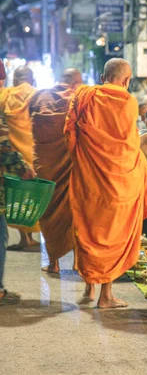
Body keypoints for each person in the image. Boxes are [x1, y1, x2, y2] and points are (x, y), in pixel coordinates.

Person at [65, 58, 147, 308]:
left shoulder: (85, 96)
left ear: (104, 76)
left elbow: (70, 134)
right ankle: (106, 295)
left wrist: (81, 159)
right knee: (114, 233)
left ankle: (88, 290)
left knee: (88, 230)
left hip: (90, 180)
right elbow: (128, 145)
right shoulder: (128, 103)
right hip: (119, 182)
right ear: (126, 80)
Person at [29, 68, 83, 274]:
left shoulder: (41, 96)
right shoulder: (77, 99)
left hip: (46, 167)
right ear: (76, 81)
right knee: (74, 213)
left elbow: (33, 125)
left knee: (49, 212)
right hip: (70, 166)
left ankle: (54, 263)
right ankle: (78, 262)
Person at [0, 60, 36, 305]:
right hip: (22, 159)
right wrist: (22, 167)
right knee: (0, 236)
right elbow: (2, 146)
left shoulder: (5, 98)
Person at [0, 66, 40, 251]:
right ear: (31, 80)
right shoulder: (38, 95)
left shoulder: (5, 96)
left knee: (16, 198)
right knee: (33, 197)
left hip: (13, 157)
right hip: (34, 153)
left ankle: (25, 238)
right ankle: (29, 237)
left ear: (15, 79)